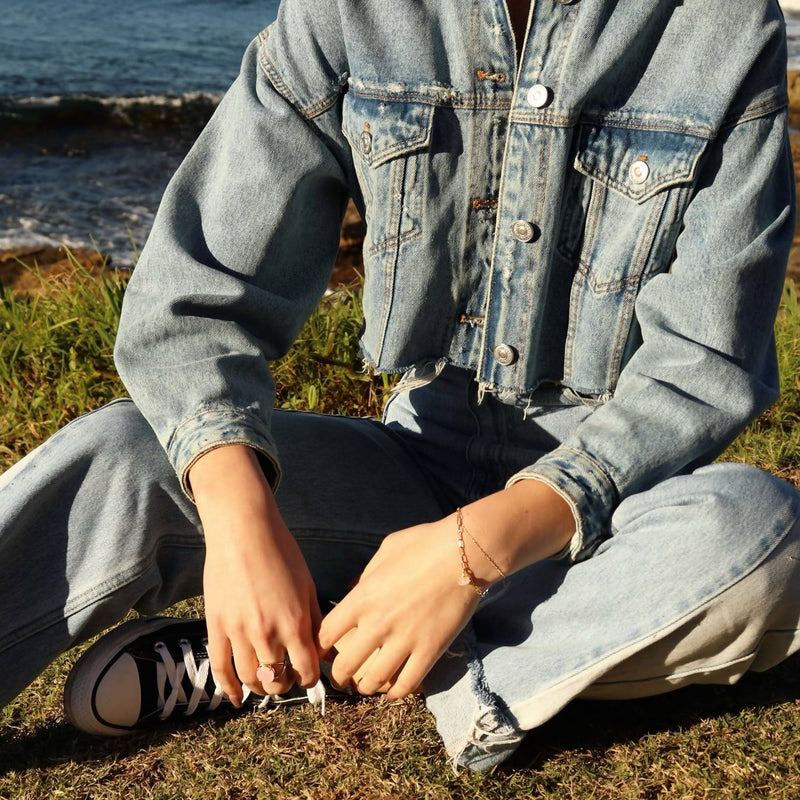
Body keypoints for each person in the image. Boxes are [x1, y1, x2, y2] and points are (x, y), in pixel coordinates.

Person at [1, 0, 799, 773]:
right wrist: (243, 528)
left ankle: (317, 655)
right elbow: (195, 293)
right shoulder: (346, 13)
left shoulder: (718, 19)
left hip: (611, 515)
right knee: (121, 451)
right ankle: (374, 631)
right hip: (412, 473)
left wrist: (472, 555)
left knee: (762, 539)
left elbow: (705, 356)